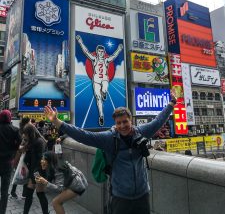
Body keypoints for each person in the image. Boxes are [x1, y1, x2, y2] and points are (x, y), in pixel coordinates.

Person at [44, 92, 177, 214]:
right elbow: (83, 135)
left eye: (125, 122)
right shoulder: (109, 139)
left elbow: (158, 121)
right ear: (115, 123)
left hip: (143, 194)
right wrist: (57, 121)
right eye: (118, 123)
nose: (122, 126)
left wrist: (172, 103)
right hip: (120, 197)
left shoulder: (141, 132)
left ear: (131, 120)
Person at [76, 34, 123, 126]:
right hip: (96, 80)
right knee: (98, 99)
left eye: (102, 51)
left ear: (104, 52)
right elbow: (86, 52)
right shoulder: (94, 59)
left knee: (105, 89)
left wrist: (119, 49)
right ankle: (101, 116)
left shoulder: (106, 60)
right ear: (97, 52)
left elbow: (114, 56)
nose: (100, 53)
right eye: (99, 51)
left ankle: (104, 92)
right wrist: (80, 41)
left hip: (105, 79)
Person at [22, 124, 48, 214]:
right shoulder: (33, 142)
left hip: (38, 172)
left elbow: (39, 160)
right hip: (34, 171)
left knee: (40, 193)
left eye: (26, 133)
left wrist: (35, 176)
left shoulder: (39, 142)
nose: (25, 135)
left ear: (30, 133)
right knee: (30, 194)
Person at [0, 109, 21, 214]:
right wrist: (13, 148)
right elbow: (20, 143)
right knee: (4, 190)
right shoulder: (14, 130)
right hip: (8, 163)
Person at [10, 117, 31, 199]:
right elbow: (21, 143)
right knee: (25, 172)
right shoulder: (25, 131)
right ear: (27, 122)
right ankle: (23, 193)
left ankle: (14, 192)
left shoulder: (20, 130)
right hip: (22, 154)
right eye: (29, 121)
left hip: (18, 154)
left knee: (20, 172)